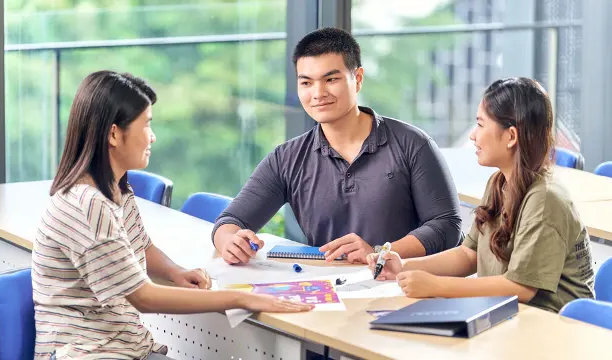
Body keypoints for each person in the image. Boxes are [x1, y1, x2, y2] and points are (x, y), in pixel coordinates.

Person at [32, 71, 313, 360]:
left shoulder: (115, 187)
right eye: (147, 124)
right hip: (86, 354)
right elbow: (144, 297)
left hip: (122, 348)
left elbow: (141, 246)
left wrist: (175, 272)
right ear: (114, 134)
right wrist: (241, 298)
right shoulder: (87, 204)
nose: (152, 136)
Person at [212, 27, 462, 265]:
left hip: (405, 286)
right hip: (330, 289)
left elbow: (447, 225)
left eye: (330, 79)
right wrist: (230, 241)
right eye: (306, 83)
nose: (318, 93)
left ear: (358, 78)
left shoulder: (412, 144)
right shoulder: (287, 158)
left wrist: (380, 253)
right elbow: (231, 220)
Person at [367, 77, 595, 313]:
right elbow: (468, 255)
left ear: (511, 137)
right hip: (508, 318)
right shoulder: (499, 183)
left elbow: (521, 288)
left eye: (481, 124)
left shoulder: (545, 200)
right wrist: (403, 266)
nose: (473, 135)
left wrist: (436, 285)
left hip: (550, 329)